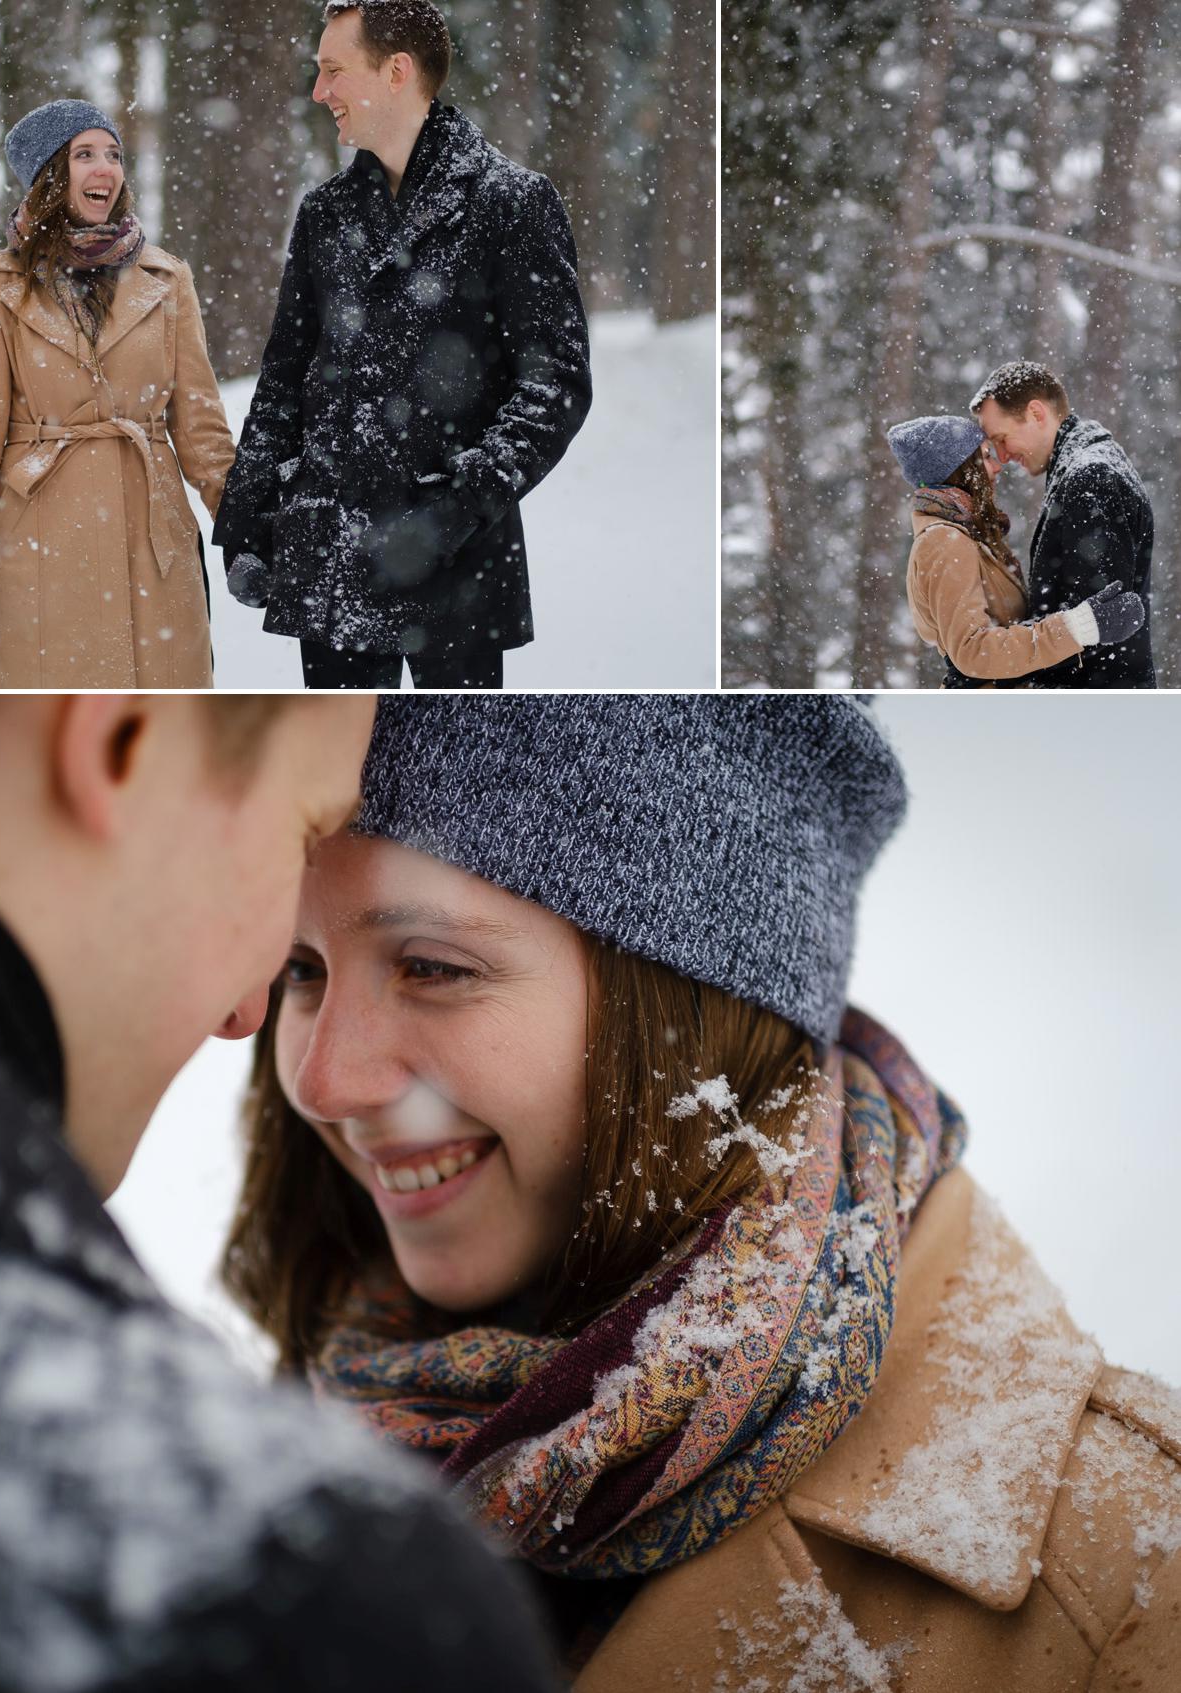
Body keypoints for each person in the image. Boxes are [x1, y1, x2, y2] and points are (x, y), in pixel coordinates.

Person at [223, 694, 1181, 1687]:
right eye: (300, 967)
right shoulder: (246, 1467)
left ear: (692, 1009)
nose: (323, 1081)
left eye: (431, 966)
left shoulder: (1129, 1574)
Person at [0, 695, 564, 1693]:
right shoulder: (262, 1601)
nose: (251, 1015)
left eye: (435, 967)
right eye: (302, 826)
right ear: (120, 735)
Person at [212, 0, 592, 691]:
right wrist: (249, 519)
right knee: (345, 782)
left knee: (460, 773)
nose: (319, 92)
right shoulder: (324, 214)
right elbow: (284, 379)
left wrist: (458, 507)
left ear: (397, 71)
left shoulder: (511, 203)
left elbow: (555, 385)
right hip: (331, 561)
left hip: (457, 569)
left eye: (333, 71)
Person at [0, 99, 236, 690]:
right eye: (83, 155)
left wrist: (245, 532)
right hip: (40, 548)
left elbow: (201, 429)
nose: (105, 170)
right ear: (47, 175)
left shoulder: (167, 280)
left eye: (113, 155)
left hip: (154, 544)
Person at [888, 413, 1145, 688]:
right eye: (986, 456)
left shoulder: (965, 535)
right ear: (960, 469)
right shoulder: (944, 540)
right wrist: (1079, 627)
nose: (997, 467)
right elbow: (972, 650)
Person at [971, 360, 1156, 688]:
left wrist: (989, 670)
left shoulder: (1092, 477)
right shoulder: (1083, 469)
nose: (1001, 455)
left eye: (1002, 438)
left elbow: (1097, 630)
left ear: (1036, 413)